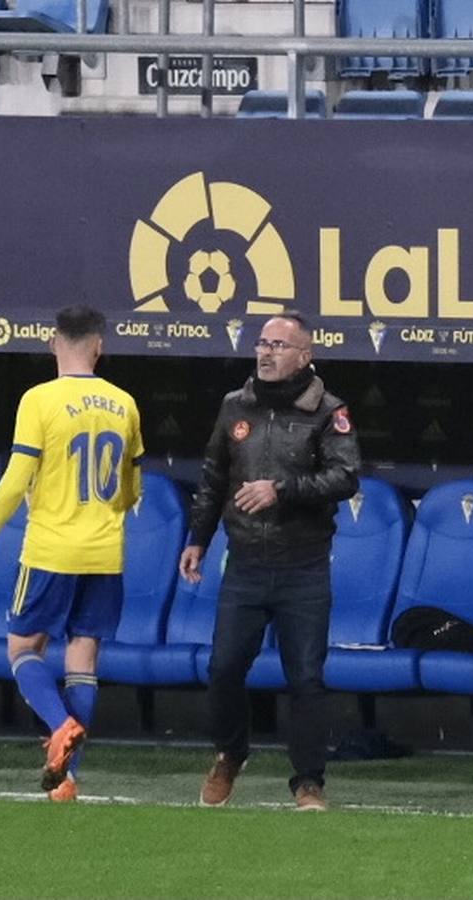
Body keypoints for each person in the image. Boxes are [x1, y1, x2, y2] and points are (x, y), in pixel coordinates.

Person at [180, 312, 360, 812]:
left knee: (305, 676)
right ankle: (231, 754)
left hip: (303, 565)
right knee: (223, 669)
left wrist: (280, 490)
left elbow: (346, 477)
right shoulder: (234, 406)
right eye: (261, 343)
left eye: (279, 345)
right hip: (245, 565)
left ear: (305, 355)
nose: (266, 352)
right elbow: (214, 477)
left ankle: (308, 783)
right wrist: (198, 536)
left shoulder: (328, 411)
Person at [0, 305, 144, 802]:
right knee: (83, 657)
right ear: (99, 346)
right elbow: (132, 488)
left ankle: (61, 725)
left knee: (23, 649)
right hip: (106, 552)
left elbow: (17, 475)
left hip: (51, 549)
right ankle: (66, 781)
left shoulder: (39, 400)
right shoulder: (124, 403)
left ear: (52, 343)